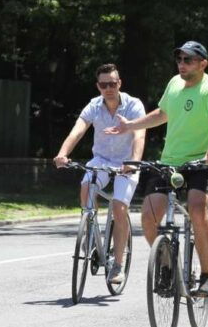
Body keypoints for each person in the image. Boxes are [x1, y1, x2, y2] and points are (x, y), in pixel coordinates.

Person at [105, 41, 208, 296]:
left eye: (188, 60)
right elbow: (163, 114)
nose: (182, 64)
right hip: (170, 161)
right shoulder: (174, 83)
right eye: (180, 60)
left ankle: (207, 275)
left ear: (203, 63)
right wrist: (131, 126)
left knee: (196, 209)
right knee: (149, 217)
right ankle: (166, 265)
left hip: (200, 163)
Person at [54, 64, 146, 285]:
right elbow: (77, 130)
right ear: (98, 86)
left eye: (112, 84)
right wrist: (63, 153)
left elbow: (139, 136)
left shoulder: (133, 105)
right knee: (86, 187)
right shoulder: (94, 106)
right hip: (102, 160)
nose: (108, 88)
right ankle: (90, 229)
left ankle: (118, 265)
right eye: (104, 85)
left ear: (119, 84)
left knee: (118, 207)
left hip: (127, 162)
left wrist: (132, 162)